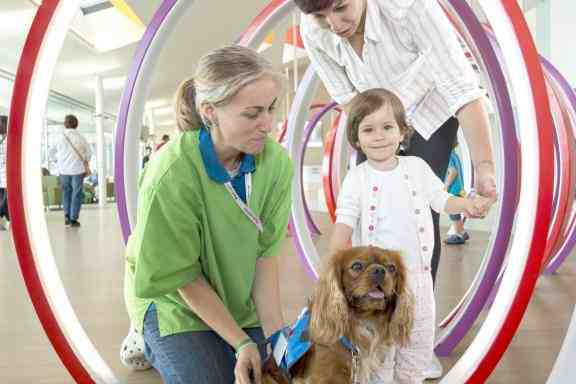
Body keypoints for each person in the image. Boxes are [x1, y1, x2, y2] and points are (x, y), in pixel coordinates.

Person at [123, 45, 293, 384]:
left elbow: (265, 258)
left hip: (236, 295)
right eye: (252, 113)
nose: (268, 124)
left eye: (271, 109)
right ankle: (145, 336)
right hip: (175, 300)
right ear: (210, 111)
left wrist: (276, 338)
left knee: (274, 373)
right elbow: (181, 275)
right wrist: (242, 341)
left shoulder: (275, 164)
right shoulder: (171, 173)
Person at [296, 0, 497, 285]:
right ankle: (373, 305)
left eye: (341, 8)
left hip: (432, 108)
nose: (334, 24)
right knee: (372, 206)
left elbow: (462, 91)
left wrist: (485, 169)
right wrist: (379, 131)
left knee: (419, 209)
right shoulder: (312, 28)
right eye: (320, 15)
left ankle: (417, 306)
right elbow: (346, 97)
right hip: (373, 114)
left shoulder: (409, 7)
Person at [329, 89, 492, 382]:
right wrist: (332, 272)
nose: (379, 136)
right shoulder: (357, 179)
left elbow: (442, 200)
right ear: (356, 138)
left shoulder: (417, 168)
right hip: (376, 284)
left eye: (388, 127)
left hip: (418, 280)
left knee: (416, 351)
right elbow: (343, 226)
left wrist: (468, 205)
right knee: (378, 355)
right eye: (368, 129)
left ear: (403, 132)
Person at [56, 114, 92, 228]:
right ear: (76, 124)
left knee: (66, 193)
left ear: (65, 124)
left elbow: (52, 152)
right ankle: (73, 219)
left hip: (63, 170)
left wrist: (60, 161)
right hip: (77, 170)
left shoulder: (59, 137)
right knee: (76, 194)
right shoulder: (80, 138)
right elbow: (89, 153)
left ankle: (66, 216)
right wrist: (85, 159)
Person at [444, 146, 469, 245]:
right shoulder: (454, 155)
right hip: (459, 188)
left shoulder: (448, 156)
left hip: (453, 189)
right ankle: (462, 232)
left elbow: (453, 172)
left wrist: (445, 186)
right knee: (456, 212)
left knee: (453, 213)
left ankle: (458, 234)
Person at [0, 115, 8, 231]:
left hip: (5, 175)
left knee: (5, 198)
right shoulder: (6, 139)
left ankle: (7, 218)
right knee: (5, 199)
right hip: (4, 175)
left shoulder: (8, 139)